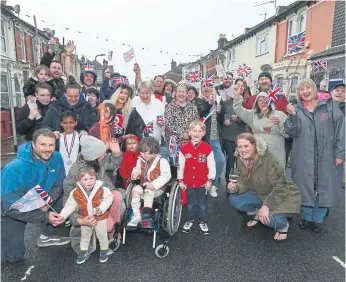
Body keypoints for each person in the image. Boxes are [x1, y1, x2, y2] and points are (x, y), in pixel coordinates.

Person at [284, 79, 345, 233]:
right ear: (298, 93)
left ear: (314, 89)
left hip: (327, 156)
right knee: (305, 186)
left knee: (324, 187)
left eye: (308, 87)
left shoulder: (329, 106)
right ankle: (306, 217)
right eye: (301, 89)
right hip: (303, 156)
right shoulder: (296, 109)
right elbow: (291, 132)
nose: (305, 91)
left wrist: (340, 153)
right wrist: (291, 117)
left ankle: (317, 218)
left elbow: (341, 130)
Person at [1, 128, 70, 263]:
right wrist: (44, 215)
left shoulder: (56, 157)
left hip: (41, 197)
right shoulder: (13, 169)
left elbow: (58, 184)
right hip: (12, 206)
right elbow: (10, 208)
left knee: (64, 196)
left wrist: (46, 201)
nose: (48, 149)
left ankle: (48, 235)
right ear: (33, 144)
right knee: (13, 257)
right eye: (42, 145)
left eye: (51, 144)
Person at [228, 133, 301, 241]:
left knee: (270, 219)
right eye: (240, 147)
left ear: (254, 145)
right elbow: (243, 181)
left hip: (284, 195)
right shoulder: (240, 159)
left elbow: (281, 187)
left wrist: (266, 206)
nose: (242, 150)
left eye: (246, 146)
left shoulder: (269, 160)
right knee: (234, 198)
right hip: (262, 194)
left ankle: (283, 225)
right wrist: (236, 187)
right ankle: (259, 213)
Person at [63, 135, 124, 254]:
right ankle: (103, 232)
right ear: (92, 158)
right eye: (101, 154)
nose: (104, 155)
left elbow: (114, 164)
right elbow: (68, 194)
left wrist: (117, 153)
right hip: (89, 203)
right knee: (107, 226)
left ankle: (115, 233)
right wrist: (77, 218)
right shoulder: (76, 170)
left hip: (104, 196)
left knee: (117, 196)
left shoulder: (100, 158)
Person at [60, 166, 114, 264]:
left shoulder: (102, 189)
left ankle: (104, 250)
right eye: (85, 179)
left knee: (102, 236)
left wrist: (101, 208)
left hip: (100, 218)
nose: (89, 181)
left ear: (95, 178)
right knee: (85, 236)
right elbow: (69, 206)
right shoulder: (75, 193)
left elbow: (109, 198)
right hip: (85, 219)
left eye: (91, 178)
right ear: (79, 181)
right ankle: (83, 252)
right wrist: (62, 216)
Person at [233, 85, 288, 169]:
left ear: (270, 101)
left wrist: (280, 123)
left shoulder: (280, 114)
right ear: (256, 104)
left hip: (276, 152)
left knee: (276, 177)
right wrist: (237, 97)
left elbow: (287, 134)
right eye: (259, 100)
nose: (262, 102)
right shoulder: (252, 115)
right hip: (258, 152)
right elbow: (239, 110)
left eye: (264, 99)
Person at [179, 120, 216, 235]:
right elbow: (180, 166)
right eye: (194, 131)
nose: (197, 133)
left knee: (202, 204)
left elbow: (212, 166)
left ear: (204, 133)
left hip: (202, 182)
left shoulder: (207, 149)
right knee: (190, 204)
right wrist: (180, 180)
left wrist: (210, 180)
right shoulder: (184, 148)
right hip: (188, 182)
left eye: (200, 131)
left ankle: (202, 221)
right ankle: (189, 220)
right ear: (189, 132)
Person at [127, 137, 171, 228]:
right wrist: (135, 174)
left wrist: (154, 184)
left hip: (158, 188)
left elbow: (166, 175)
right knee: (135, 190)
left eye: (145, 152)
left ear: (154, 151)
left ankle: (146, 216)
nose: (143, 154)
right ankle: (137, 215)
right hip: (144, 184)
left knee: (148, 192)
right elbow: (137, 169)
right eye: (141, 152)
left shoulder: (162, 161)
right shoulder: (141, 160)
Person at [200, 82, 225, 197]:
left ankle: (214, 184)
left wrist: (219, 111)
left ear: (212, 89)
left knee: (220, 161)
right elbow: (200, 112)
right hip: (203, 137)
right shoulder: (198, 101)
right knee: (203, 163)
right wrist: (209, 103)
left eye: (209, 86)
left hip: (215, 137)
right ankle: (204, 185)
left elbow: (221, 119)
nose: (206, 88)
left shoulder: (217, 100)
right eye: (204, 86)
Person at [219, 81, 247, 185]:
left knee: (242, 160)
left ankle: (242, 182)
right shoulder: (226, 101)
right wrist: (223, 121)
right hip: (228, 135)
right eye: (237, 86)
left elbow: (249, 118)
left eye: (242, 86)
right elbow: (220, 115)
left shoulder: (247, 102)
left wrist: (238, 119)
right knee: (230, 159)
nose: (240, 88)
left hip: (241, 135)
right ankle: (229, 182)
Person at [165, 81, 199, 147]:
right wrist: (181, 134)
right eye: (179, 92)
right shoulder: (170, 107)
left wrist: (190, 133)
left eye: (183, 92)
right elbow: (169, 125)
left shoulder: (193, 107)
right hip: (174, 143)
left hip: (190, 142)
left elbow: (196, 123)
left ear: (186, 94)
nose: (181, 94)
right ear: (176, 94)